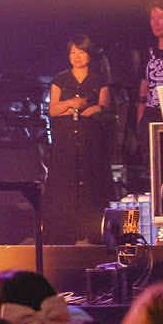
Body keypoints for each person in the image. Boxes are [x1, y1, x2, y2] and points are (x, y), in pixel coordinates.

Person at [49, 33, 114, 241]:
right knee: (64, 182)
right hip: (65, 139)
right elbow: (53, 109)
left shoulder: (100, 79)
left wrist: (91, 108)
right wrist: (71, 104)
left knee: (92, 180)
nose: (76, 57)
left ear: (89, 54)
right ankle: (65, 233)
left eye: (81, 52)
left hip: (91, 138)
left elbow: (104, 107)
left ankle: (93, 233)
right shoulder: (60, 79)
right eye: (73, 53)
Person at [137, 2, 163, 176]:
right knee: (155, 165)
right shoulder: (148, 52)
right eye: (152, 18)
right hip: (152, 113)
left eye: (161, 18)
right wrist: (140, 119)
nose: (156, 23)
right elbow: (144, 86)